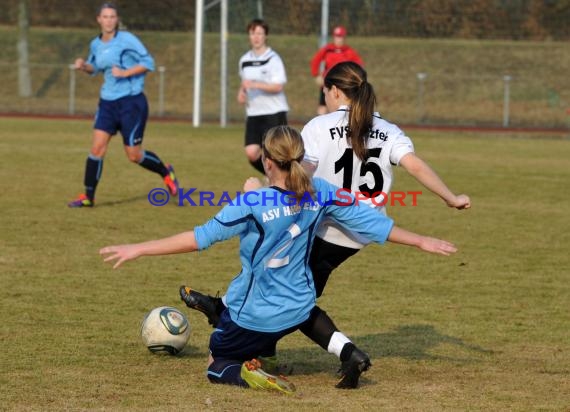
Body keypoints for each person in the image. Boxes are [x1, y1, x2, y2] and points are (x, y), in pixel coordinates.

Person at [100, 125, 457, 394]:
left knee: (216, 362)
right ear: (299, 159)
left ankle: (249, 371)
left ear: (267, 162)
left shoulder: (252, 204)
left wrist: (138, 248)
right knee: (303, 307)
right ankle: (230, 319)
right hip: (299, 310)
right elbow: (371, 224)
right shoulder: (322, 192)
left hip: (257, 316)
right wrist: (421, 240)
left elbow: (198, 238)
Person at [183, 61, 471, 389]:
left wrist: (259, 195)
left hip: (321, 224)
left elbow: (295, 173)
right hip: (361, 232)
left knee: (287, 296)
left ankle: (328, 351)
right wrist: (450, 196)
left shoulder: (321, 126)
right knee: (286, 289)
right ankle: (230, 319)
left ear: (334, 91)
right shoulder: (388, 130)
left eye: (325, 91)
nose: (326, 97)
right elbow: (415, 165)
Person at [68, 2, 178, 208]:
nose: (109, 20)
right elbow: (95, 68)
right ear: (99, 20)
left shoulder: (128, 40)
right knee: (96, 149)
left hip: (131, 103)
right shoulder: (96, 44)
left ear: (116, 20)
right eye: (105, 17)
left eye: (112, 17)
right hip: (107, 103)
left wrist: (125, 73)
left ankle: (166, 172)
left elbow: (149, 63)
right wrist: (84, 66)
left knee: (134, 155)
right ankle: (88, 197)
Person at [237, 19, 289, 175]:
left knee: (274, 154)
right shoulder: (244, 60)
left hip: (274, 112)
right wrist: (242, 92)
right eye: (253, 33)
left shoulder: (273, 58)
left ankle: (281, 182)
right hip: (254, 113)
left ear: (265, 35)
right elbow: (244, 82)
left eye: (259, 33)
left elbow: (278, 86)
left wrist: (255, 85)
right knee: (252, 153)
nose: (256, 37)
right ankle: (274, 178)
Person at [310, 26, 363, 115]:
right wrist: (317, 75)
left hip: (342, 84)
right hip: (328, 82)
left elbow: (359, 66)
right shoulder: (328, 49)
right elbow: (315, 61)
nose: (339, 39)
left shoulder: (348, 51)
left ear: (344, 38)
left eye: (341, 37)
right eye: (337, 37)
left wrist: (352, 79)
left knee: (342, 105)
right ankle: (322, 125)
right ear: (334, 37)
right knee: (323, 105)